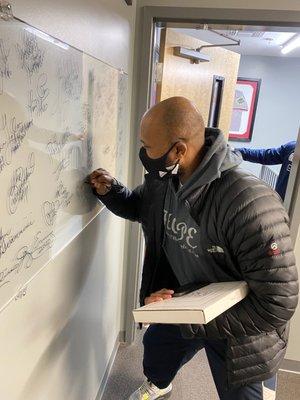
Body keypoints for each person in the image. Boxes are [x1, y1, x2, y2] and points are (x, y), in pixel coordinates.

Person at [88, 97, 298, 400]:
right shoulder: (167, 181)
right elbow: (140, 207)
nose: (143, 153)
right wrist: (112, 192)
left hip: (242, 327)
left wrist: (197, 320)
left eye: (147, 146)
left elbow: (277, 303)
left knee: (244, 394)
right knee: (157, 349)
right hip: (188, 301)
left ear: (178, 150)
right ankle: (160, 385)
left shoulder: (250, 203)